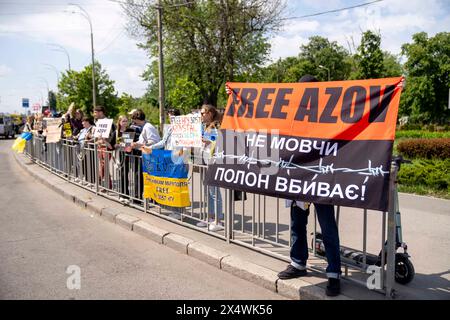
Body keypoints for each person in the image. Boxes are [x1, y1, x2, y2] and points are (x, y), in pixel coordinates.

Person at [277, 75, 342, 297]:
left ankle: (334, 274)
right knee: (297, 223)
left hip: (322, 180)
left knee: (328, 228)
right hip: (298, 179)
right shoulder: (294, 116)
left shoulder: (328, 116)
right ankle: (298, 263)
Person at [196, 104, 223, 232]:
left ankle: (218, 220)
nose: (201, 115)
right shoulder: (203, 126)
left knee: (214, 192)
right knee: (207, 191)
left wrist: (209, 141)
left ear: (210, 113)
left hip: (213, 160)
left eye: (203, 113)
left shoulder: (217, 125)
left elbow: (221, 141)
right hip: (203, 160)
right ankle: (210, 217)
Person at [93, 105, 116, 190]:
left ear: (101, 112)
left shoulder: (109, 122)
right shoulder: (98, 122)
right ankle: (107, 186)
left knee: (104, 165)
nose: (94, 114)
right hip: (100, 146)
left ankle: (99, 181)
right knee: (103, 165)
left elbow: (113, 135)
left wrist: (107, 142)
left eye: (95, 112)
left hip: (106, 147)